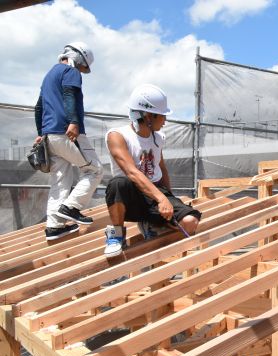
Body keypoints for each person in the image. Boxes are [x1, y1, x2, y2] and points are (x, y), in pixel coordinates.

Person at [103, 84, 201, 258]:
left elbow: (160, 167)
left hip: (155, 191)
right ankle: (116, 235)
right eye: (162, 116)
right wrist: (161, 199)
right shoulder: (117, 135)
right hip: (131, 195)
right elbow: (132, 172)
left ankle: (154, 230)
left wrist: (169, 197)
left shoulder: (158, 138)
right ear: (148, 116)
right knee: (117, 183)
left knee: (190, 221)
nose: (164, 121)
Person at [34, 42, 103, 241]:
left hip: (50, 136)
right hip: (68, 132)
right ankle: (71, 207)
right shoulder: (70, 71)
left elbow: (38, 107)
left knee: (60, 180)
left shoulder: (49, 76)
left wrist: (41, 132)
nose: (82, 71)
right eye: (83, 67)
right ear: (79, 59)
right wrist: (73, 121)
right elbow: (69, 94)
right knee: (95, 170)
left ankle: (54, 227)